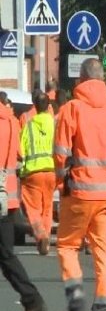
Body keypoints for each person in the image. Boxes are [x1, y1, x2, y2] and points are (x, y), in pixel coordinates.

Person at [53, 58, 106, 311]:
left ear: (82, 79)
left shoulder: (70, 109)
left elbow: (60, 155)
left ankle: (76, 303)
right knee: (105, 255)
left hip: (77, 193)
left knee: (67, 247)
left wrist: (61, 180)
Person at [0, 90, 47, 311]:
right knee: (6, 255)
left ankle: (33, 300)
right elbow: (17, 157)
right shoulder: (10, 120)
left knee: (6, 255)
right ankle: (32, 299)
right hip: (7, 198)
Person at [19, 91, 56, 255]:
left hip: (33, 173)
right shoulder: (55, 123)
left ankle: (41, 235)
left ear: (34, 106)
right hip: (51, 171)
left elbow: (20, 151)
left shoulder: (29, 125)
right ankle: (46, 238)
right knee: (47, 207)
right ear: (49, 106)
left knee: (33, 208)